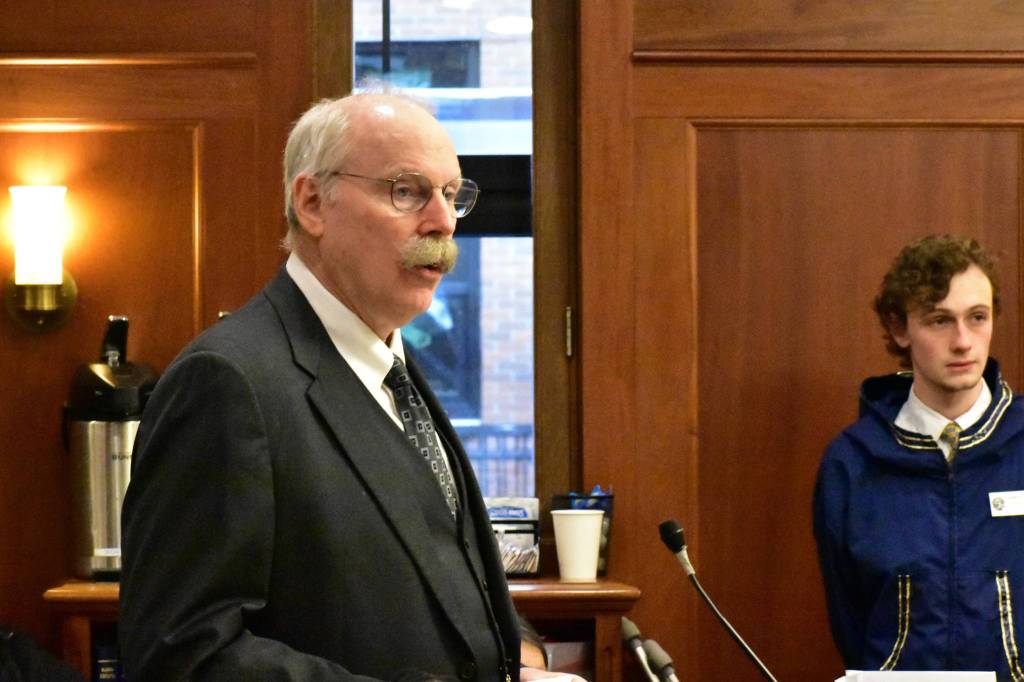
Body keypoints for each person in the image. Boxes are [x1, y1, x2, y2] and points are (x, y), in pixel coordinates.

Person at [120, 92, 574, 681]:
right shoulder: (228, 383)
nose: (441, 222)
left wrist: (525, 667)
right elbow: (182, 656)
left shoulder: (394, 368)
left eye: (451, 195)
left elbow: (437, 577)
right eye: (407, 191)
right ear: (312, 203)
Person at [814, 234, 1024, 678]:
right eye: (939, 321)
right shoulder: (853, 463)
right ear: (899, 329)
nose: (964, 342)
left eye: (978, 317)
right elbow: (849, 617)